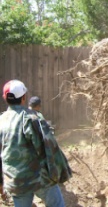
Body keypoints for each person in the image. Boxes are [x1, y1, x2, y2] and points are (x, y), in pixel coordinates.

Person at [0, 79, 72, 207]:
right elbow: (49, 147)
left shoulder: (1, 121)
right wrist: (60, 173)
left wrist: (1, 183)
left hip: (16, 181)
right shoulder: (32, 118)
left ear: (5, 98)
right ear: (23, 98)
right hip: (39, 178)